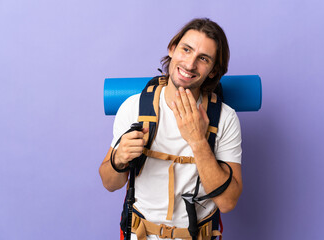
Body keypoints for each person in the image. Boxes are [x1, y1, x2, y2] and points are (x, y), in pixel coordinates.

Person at [99, 18, 243, 240]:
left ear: (213, 71)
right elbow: (110, 183)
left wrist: (197, 141)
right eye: (186, 50)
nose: (190, 64)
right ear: (172, 49)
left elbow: (227, 202)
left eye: (203, 59)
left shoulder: (225, 118)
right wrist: (119, 159)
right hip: (140, 234)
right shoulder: (134, 107)